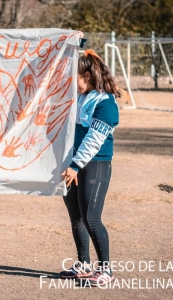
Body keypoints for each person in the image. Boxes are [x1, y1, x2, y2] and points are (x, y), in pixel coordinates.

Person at [60, 49, 120, 286]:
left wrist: (75, 165)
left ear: (87, 75)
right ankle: (83, 264)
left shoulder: (106, 102)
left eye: (74, 78)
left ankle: (105, 269)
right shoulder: (80, 97)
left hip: (95, 165)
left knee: (91, 218)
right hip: (73, 165)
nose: (71, 83)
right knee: (76, 217)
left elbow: (94, 140)